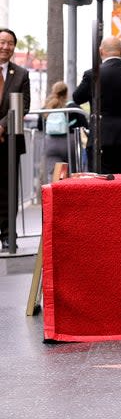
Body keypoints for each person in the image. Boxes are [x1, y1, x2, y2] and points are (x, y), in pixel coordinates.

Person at [73, 37, 121, 175]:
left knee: (102, 185)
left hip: (101, 138)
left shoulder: (92, 74)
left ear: (101, 51)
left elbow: (77, 98)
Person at [0, 28, 30, 251]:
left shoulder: (21, 74)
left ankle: (9, 235)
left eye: (10, 43)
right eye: (2, 42)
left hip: (9, 143)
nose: (5, 47)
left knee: (8, 191)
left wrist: (2, 125)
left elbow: (23, 106)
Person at [41, 81, 71, 180]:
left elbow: (39, 125)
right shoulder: (71, 107)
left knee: (55, 176)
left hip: (50, 144)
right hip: (69, 143)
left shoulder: (47, 107)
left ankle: (56, 194)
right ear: (66, 93)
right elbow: (82, 123)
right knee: (71, 175)